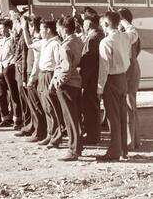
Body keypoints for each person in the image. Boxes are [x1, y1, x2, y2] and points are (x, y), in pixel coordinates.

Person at [96, 11, 139, 161]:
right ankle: (123, 150)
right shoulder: (124, 36)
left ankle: (114, 151)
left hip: (111, 80)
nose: (101, 26)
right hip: (123, 79)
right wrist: (123, 20)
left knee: (112, 118)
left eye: (102, 24)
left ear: (107, 24)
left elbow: (104, 68)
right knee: (122, 115)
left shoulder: (106, 42)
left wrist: (99, 88)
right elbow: (134, 31)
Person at [23, 19, 63, 148]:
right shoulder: (45, 42)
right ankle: (50, 134)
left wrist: (53, 81)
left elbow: (58, 64)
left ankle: (56, 137)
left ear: (48, 30)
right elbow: (29, 44)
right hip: (42, 75)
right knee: (46, 107)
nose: (40, 32)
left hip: (50, 75)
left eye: (42, 29)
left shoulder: (56, 44)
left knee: (52, 107)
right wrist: (24, 29)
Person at [51, 16, 84, 161]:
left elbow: (65, 69)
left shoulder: (65, 46)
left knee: (69, 118)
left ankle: (73, 150)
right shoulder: (77, 41)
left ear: (64, 29)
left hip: (67, 85)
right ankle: (78, 146)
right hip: (76, 84)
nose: (57, 30)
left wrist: (58, 82)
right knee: (75, 117)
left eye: (58, 28)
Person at [21, 16, 47, 143]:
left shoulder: (39, 41)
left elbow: (36, 60)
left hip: (35, 75)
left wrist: (31, 78)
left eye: (30, 26)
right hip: (32, 73)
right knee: (34, 106)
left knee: (37, 106)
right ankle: (37, 130)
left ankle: (40, 132)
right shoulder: (36, 40)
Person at [119, 8, 141, 150]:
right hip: (133, 67)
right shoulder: (133, 35)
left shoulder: (126, 35)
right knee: (132, 105)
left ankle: (129, 142)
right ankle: (135, 140)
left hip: (128, 69)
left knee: (127, 106)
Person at [80, 13, 104, 146]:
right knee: (93, 107)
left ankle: (92, 136)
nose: (83, 25)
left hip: (91, 79)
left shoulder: (92, 38)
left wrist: (83, 80)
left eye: (84, 22)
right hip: (95, 77)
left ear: (89, 24)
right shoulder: (97, 36)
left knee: (90, 107)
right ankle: (93, 135)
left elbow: (89, 61)